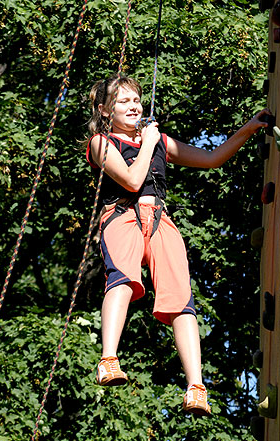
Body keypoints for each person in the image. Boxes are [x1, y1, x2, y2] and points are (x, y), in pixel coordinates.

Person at [86, 75, 268, 417]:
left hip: (159, 219)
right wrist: (151, 140)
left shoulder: (158, 141)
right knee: (123, 279)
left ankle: (196, 387)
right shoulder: (101, 142)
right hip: (122, 216)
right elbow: (132, 179)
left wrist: (248, 128)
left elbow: (212, 158)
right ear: (105, 110)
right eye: (124, 101)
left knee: (181, 299)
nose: (134, 106)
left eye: (136, 100)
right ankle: (108, 360)